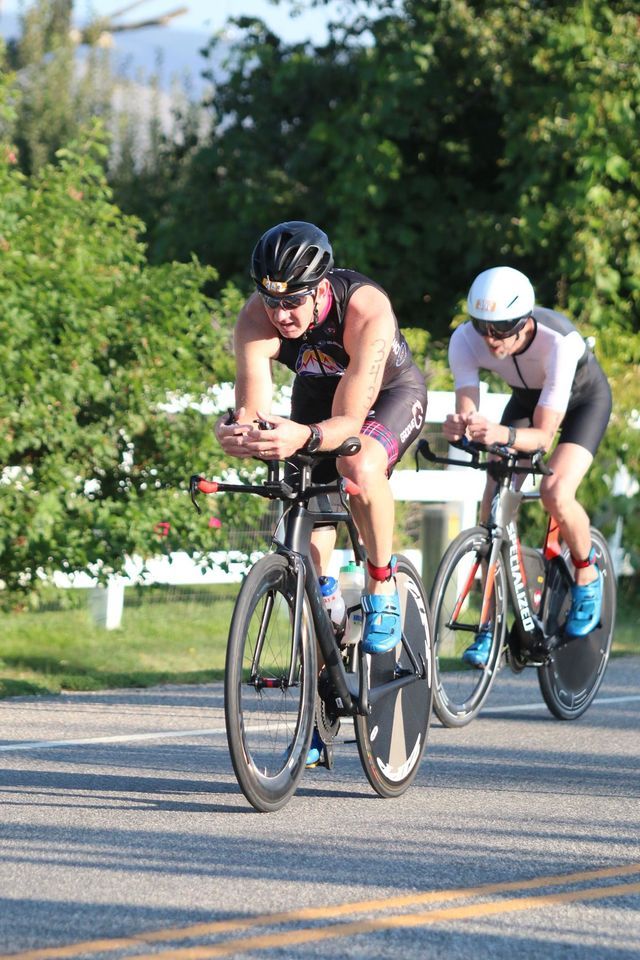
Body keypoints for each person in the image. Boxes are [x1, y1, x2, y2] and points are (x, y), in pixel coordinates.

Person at [215, 221, 427, 760]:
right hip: (315, 395)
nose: (281, 316)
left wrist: (303, 435)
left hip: (383, 399)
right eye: (270, 301)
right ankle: (327, 634)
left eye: (295, 302)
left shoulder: (365, 310)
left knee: (358, 469)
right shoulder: (255, 320)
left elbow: (351, 423)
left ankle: (381, 587)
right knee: (302, 548)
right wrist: (243, 432)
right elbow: (255, 405)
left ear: (322, 288)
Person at [444, 265, 612, 667]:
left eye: (501, 329)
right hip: (526, 400)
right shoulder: (464, 341)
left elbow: (542, 437)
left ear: (525, 321)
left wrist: (498, 435)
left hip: (581, 404)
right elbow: (467, 411)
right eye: (483, 327)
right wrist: (461, 427)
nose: (491, 339)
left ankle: (587, 573)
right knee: (494, 503)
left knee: (556, 490)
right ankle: (493, 619)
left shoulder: (559, 343)